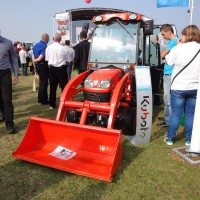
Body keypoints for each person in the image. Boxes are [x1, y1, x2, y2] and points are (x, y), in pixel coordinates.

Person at [164, 25, 200, 146]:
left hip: (179, 87)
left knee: (176, 113)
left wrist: (177, 47)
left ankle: (170, 138)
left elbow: (168, 60)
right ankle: (189, 139)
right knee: (190, 114)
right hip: (195, 87)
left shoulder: (178, 48)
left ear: (186, 35)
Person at [157, 24, 178, 128]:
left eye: (163, 34)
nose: (163, 36)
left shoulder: (174, 41)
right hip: (168, 73)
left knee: (168, 98)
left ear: (169, 31)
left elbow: (162, 55)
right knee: (167, 98)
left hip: (170, 74)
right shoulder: (172, 42)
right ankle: (167, 116)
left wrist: (164, 55)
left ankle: (168, 121)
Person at [0, 34, 19, 133]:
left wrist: (16, 74)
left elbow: (14, 58)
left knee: (7, 99)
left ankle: (9, 124)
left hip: (5, 73)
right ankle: (2, 113)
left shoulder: (7, 43)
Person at [45, 33, 68, 109]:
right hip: (61, 68)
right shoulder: (63, 48)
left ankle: (52, 104)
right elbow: (67, 59)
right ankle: (64, 102)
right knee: (64, 87)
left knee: (52, 87)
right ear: (60, 39)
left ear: (53, 39)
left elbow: (47, 59)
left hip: (52, 68)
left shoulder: (48, 48)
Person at [33, 33, 49, 105]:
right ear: (46, 39)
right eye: (48, 39)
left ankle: (40, 99)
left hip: (37, 66)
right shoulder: (44, 46)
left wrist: (34, 66)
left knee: (41, 82)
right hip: (43, 65)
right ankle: (44, 100)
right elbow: (41, 57)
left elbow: (33, 56)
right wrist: (35, 60)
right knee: (44, 83)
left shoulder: (35, 45)